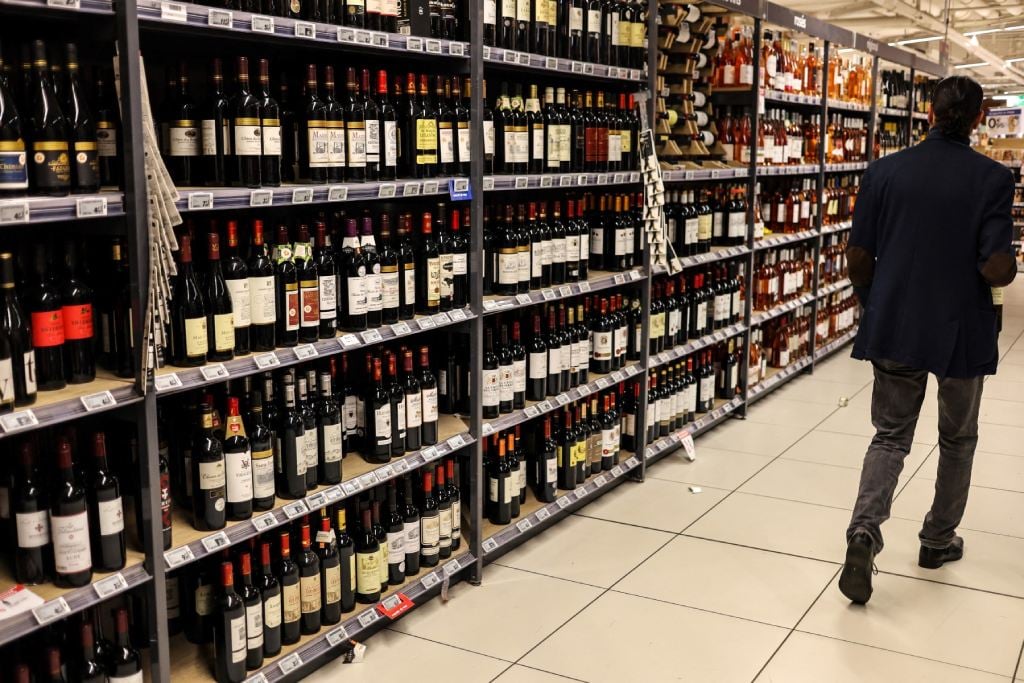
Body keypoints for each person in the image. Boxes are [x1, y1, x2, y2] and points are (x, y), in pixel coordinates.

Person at [838, 75, 1017, 605]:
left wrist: (876, 302)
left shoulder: (884, 172)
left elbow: (857, 257)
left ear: (929, 112)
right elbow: (994, 267)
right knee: (958, 438)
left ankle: (864, 533)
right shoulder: (992, 179)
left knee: (890, 435)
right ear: (980, 118)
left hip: (896, 319)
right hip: (962, 328)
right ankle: (937, 540)